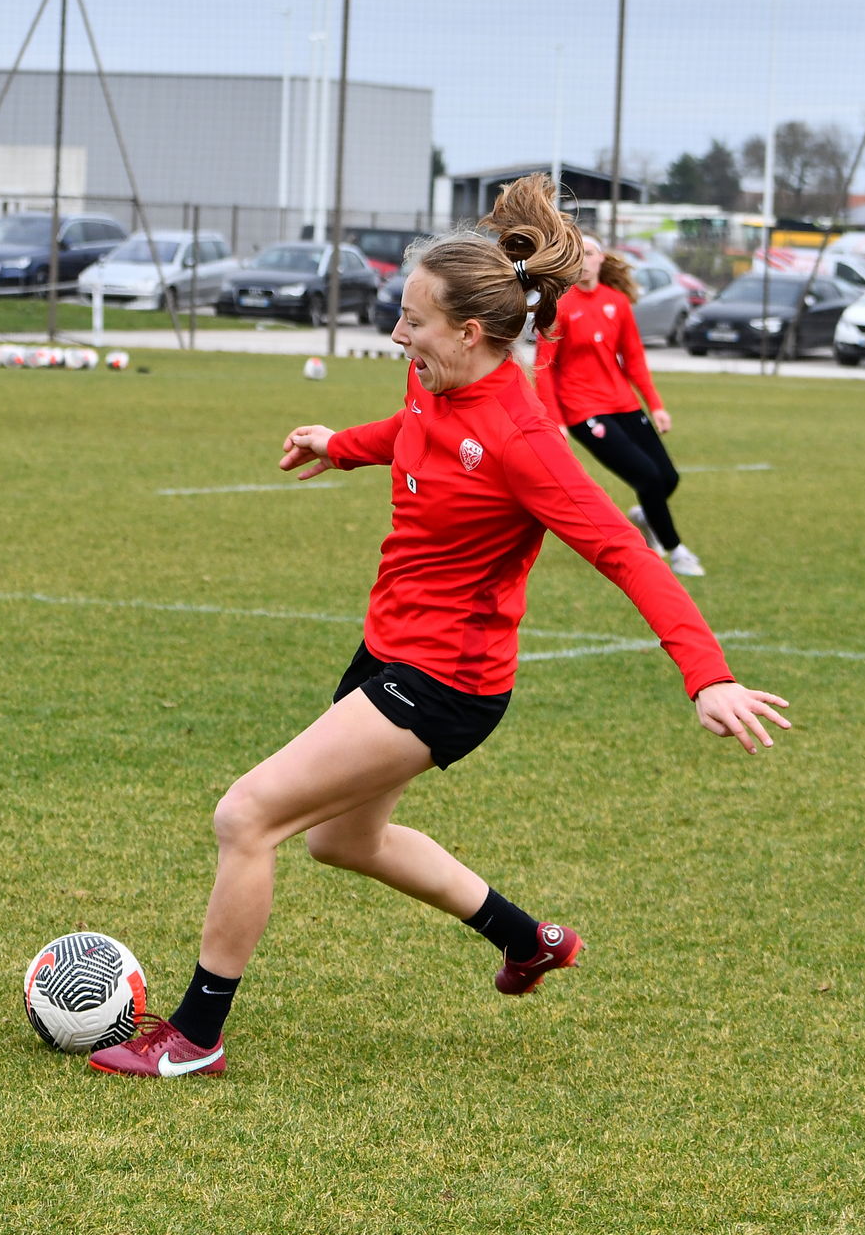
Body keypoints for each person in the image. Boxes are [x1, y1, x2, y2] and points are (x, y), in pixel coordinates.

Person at [89, 174, 791, 1078]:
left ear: (468, 332)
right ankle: (526, 939)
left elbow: (628, 554)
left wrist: (708, 674)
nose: (398, 334)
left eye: (413, 321)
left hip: (446, 681)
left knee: (246, 816)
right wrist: (341, 446)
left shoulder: (525, 440)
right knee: (341, 839)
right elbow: (415, 428)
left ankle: (193, 1039)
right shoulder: (435, 376)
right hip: (390, 650)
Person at [535, 235, 704, 576]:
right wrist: (556, 421)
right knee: (648, 477)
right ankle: (676, 551)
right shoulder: (559, 307)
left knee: (667, 478)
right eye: (576, 255)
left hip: (623, 403)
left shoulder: (617, 302)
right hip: (583, 411)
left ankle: (646, 514)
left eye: (589, 253)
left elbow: (634, 358)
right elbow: (544, 367)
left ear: (601, 259)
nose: (583, 260)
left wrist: (656, 405)